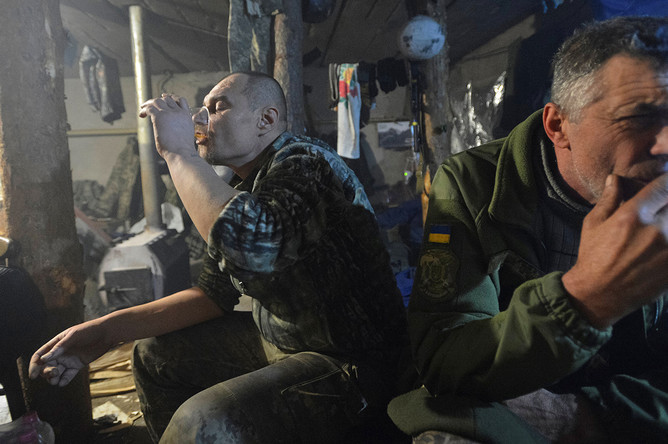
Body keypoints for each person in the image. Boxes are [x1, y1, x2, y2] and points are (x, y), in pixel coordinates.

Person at [29, 72, 409, 443]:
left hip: (348, 364)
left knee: (202, 421)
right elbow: (212, 294)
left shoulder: (305, 161)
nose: (200, 118)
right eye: (203, 107)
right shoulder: (246, 185)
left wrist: (178, 153)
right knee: (154, 355)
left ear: (266, 120)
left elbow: (250, 245)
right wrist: (105, 331)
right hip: (282, 341)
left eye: (218, 107)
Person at [388, 16, 668, 444]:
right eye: (638, 117)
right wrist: (582, 301)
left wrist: (588, 414)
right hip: (522, 407)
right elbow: (445, 360)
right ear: (558, 126)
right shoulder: (474, 184)